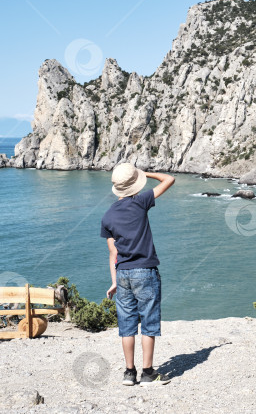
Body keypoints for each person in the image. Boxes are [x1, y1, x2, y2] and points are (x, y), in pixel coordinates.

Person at [101, 162, 175, 386]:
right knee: (149, 322)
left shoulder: (107, 216)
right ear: (134, 184)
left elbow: (113, 253)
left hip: (122, 274)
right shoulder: (141, 201)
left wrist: (114, 282)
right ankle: (148, 373)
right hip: (145, 271)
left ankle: (129, 373)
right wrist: (144, 173)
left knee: (127, 325)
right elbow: (169, 179)